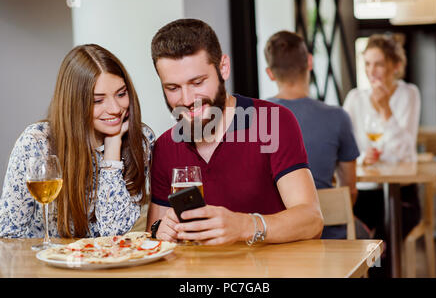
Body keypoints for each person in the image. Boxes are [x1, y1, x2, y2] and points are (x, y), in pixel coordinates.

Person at [146, 19, 323, 245]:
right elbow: (156, 232)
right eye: (173, 88)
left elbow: (311, 220)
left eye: (198, 82)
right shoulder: (165, 147)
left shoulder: (272, 122)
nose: (187, 100)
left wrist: (244, 226)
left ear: (223, 68)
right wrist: (160, 230)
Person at [0, 44, 155, 238]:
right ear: (74, 104)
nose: (115, 108)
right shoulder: (36, 143)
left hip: (108, 263)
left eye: (121, 94)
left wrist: (113, 145)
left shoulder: (140, 141)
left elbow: (114, 232)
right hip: (47, 263)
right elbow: (9, 234)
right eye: (98, 101)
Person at [264, 30, 364, 239]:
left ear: (270, 73)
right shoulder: (338, 117)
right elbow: (350, 192)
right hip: (330, 234)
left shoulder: (256, 118)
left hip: (275, 239)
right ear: (309, 62)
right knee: (372, 243)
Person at [343, 33, 421, 240]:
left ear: (395, 66)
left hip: (400, 192)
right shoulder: (355, 99)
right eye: (367, 64)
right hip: (365, 193)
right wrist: (361, 158)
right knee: (356, 235)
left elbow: (404, 153)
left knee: (386, 241)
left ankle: (381, 268)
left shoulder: (409, 94)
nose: (371, 71)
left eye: (378, 64)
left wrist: (386, 108)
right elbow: (343, 147)